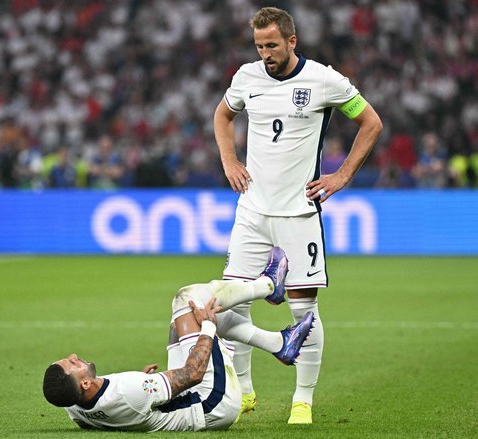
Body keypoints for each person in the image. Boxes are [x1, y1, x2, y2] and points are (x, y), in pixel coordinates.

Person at [213, 7, 383, 425]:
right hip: (252, 212)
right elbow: (223, 115)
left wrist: (342, 175)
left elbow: (371, 122)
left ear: (292, 41)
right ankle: (246, 392)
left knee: (303, 311)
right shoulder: (246, 77)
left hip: (298, 214)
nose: (265, 53)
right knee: (231, 309)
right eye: (259, 46)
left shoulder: (324, 79)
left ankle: (302, 400)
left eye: (272, 45)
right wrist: (230, 161)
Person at [43, 248, 315, 431]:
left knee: (180, 322)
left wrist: (142, 390)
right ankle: (268, 285)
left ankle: (280, 344)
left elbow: (108, 414)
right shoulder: (128, 391)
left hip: (183, 399)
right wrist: (209, 328)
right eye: (73, 364)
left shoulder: (74, 406)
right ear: (86, 383)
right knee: (190, 301)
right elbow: (194, 374)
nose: (75, 356)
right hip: (215, 401)